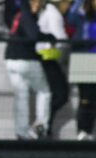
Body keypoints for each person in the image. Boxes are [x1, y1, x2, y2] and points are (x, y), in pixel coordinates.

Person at [5, 0, 53, 139]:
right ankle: (41, 126)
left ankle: (21, 132)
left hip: (10, 59)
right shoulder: (27, 15)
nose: (37, 5)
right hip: (26, 59)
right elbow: (33, 35)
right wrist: (49, 37)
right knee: (44, 91)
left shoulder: (19, 14)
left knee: (21, 96)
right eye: (35, 2)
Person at [36, 0, 69, 138]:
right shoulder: (54, 14)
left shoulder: (47, 13)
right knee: (60, 94)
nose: (68, 6)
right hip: (48, 58)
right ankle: (42, 125)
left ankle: (44, 125)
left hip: (46, 58)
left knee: (52, 94)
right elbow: (60, 39)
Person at [68, 0, 96, 140]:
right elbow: (71, 19)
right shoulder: (80, 14)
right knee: (85, 97)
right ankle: (83, 130)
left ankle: (89, 131)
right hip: (83, 59)